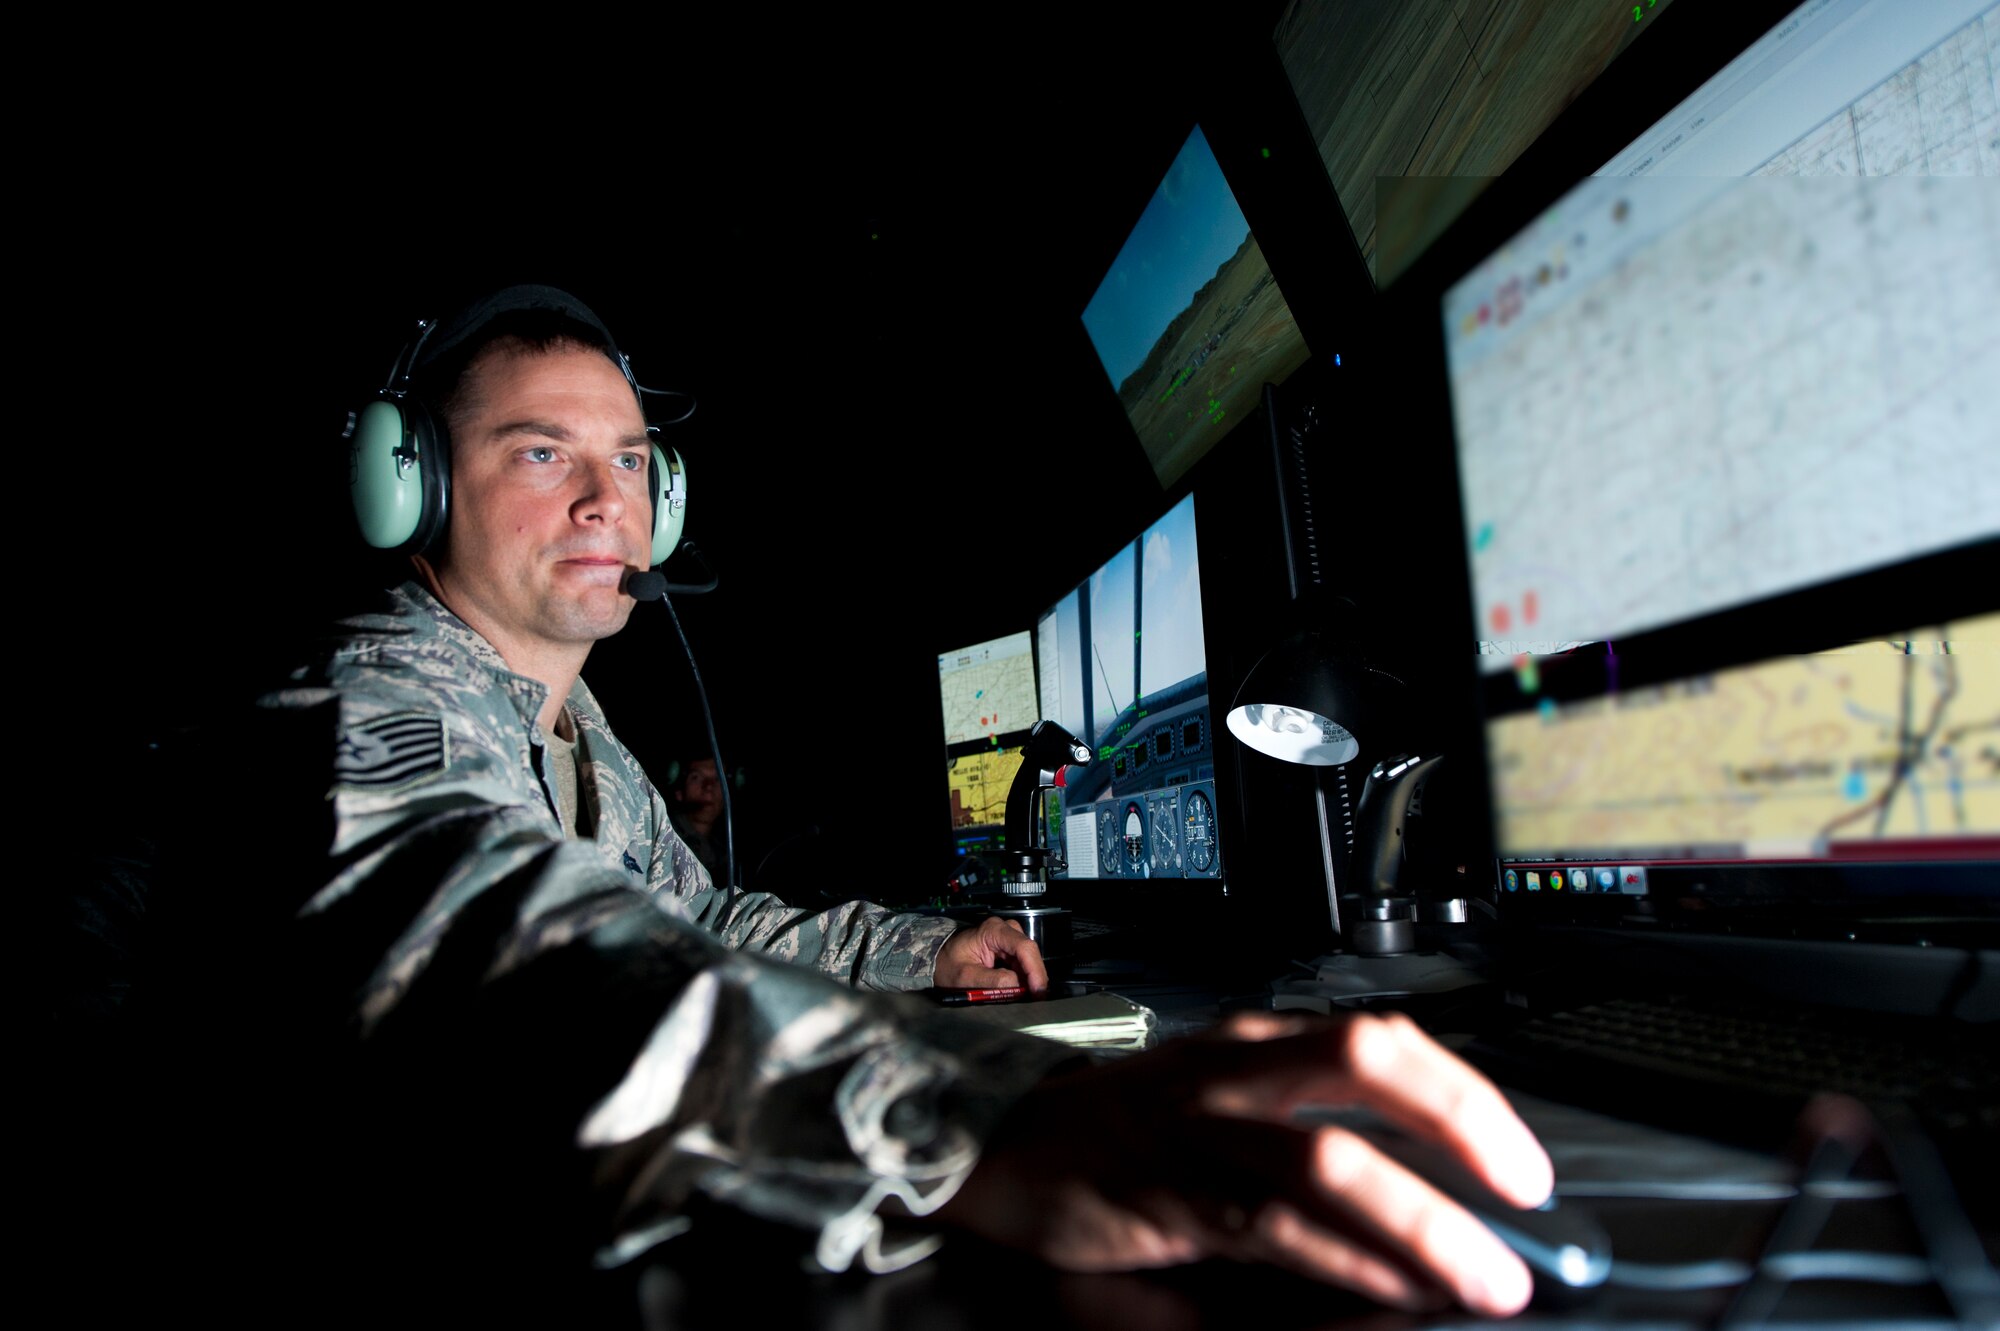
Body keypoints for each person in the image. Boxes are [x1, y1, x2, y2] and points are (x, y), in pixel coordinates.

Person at [144, 285, 1550, 1321]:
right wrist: (970, 1123)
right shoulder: (373, 691)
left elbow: (691, 919)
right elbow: (503, 951)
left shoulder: (573, 724)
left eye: (631, 461)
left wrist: (913, 953)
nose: (604, 501)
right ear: (409, 485)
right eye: (538, 452)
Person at [665, 757, 727, 886]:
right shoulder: (664, 839)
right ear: (679, 791)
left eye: (717, 779)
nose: (709, 786)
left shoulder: (730, 850)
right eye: (696, 777)